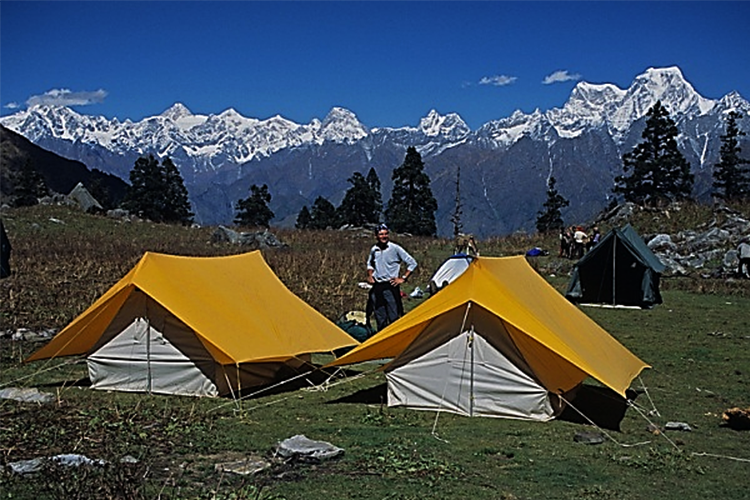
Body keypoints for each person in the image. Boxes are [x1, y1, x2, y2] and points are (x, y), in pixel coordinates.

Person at [366, 224, 418, 331]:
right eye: (381, 234)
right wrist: (370, 275)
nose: (384, 236)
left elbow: (412, 263)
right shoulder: (374, 249)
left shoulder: (395, 248)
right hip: (377, 286)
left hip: (390, 285)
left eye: (386, 234)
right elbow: (370, 264)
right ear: (376, 236)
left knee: (394, 316)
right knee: (380, 317)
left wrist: (403, 278)